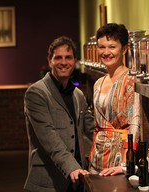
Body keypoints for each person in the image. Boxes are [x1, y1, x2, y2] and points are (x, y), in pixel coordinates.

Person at [24, 36, 94, 192]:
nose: (64, 62)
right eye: (58, 58)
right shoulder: (36, 93)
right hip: (48, 183)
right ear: (50, 61)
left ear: (75, 61)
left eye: (68, 57)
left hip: (78, 181)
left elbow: (92, 129)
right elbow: (49, 137)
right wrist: (72, 167)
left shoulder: (78, 95)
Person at [88, 23, 141, 176]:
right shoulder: (98, 83)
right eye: (101, 47)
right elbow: (96, 126)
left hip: (119, 160)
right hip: (96, 157)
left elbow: (135, 122)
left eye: (112, 47)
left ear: (124, 49)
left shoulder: (131, 79)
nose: (106, 52)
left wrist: (125, 164)